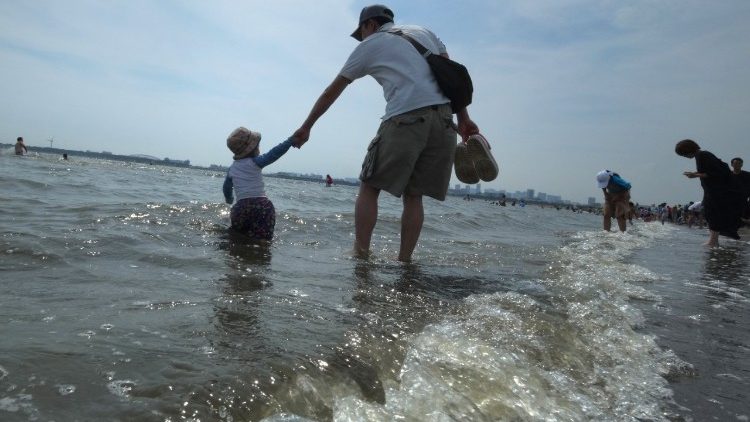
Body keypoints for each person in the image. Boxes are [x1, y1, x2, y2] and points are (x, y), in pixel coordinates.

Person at [291, 4, 481, 262]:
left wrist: (306, 126)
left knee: (370, 186)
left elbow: (331, 91)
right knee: (414, 196)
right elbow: (452, 80)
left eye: (362, 33)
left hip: (406, 118)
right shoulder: (424, 32)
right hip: (445, 123)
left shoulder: (369, 45)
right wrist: (464, 119)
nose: (362, 38)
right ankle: (404, 262)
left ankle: (361, 255)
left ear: (370, 25)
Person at [222, 127, 295, 240]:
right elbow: (274, 153)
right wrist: (290, 141)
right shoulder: (255, 162)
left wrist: (229, 199)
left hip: (240, 208)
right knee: (263, 240)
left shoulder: (232, 169)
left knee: (237, 238)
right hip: (262, 207)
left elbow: (226, 188)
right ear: (253, 149)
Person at [675, 139, 741, 246]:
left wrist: (696, 175)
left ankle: (713, 241)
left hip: (717, 191)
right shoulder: (700, 156)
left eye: (684, 154)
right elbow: (708, 171)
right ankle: (713, 240)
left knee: (712, 213)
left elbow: (717, 173)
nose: (685, 156)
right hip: (712, 190)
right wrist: (695, 173)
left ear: (689, 150)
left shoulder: (703, 155)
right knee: (710, 212)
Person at [730, 157, 750, 223]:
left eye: (739, 164)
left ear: (742, 165)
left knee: (745, 219)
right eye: (735, 164)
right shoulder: (728, 175)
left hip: (744, 200)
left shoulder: (747, 175)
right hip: (731, 200)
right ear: (732, 165)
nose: (737, 165)